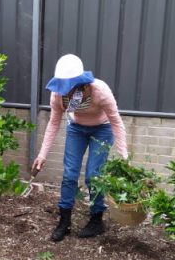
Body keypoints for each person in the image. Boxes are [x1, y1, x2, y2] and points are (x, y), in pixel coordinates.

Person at [31, 54, 128, 241]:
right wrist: (42, 155)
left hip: (102, 129)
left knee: (94, 175)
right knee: (69, 174)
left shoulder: (100, 91)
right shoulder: (57, 95)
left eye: (68, 88)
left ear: (82, 84)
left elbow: (116, 121)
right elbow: (53, 123)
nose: (63, 92)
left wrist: (124, 155)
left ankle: (97, 220)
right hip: (76, 129)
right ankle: (65, 221)